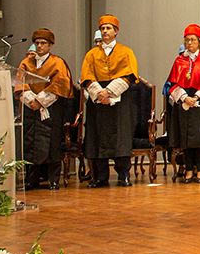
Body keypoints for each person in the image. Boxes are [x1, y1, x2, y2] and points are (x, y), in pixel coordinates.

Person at [80, 14, 139, 187]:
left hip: (119, 100)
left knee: (120, 137)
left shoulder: (126, 51)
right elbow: (86, 76)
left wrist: (110, 92)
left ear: (116, 31)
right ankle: (100, 177)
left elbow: (130, 74)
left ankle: (123, 175)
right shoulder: (91, 54)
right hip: (97, 100)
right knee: (97, 137)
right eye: (102, 28)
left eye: (108, 28)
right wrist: (99, 93)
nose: (105, 31)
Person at [18, 28, 74, 190]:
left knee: (51, 143)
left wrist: (41, 100)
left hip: (50, 108)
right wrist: (30, 100)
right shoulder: (26, 63)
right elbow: (20, 82)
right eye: (37, 43)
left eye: (43, 43)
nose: (40, 46)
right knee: (31, 143)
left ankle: (53, 179)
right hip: (30, 107)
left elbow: (60, 83)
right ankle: (32, 179)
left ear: (50, 45)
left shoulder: (57, 62)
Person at [166, 24, 200, 183]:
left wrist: (196, 98)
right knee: (185, 138)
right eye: (187, 40)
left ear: (199, 42)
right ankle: (188, 170)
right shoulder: (179, 60)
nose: (189, 43)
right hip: (183, 102)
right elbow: (173, 83)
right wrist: (183, 97)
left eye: (193, 40)